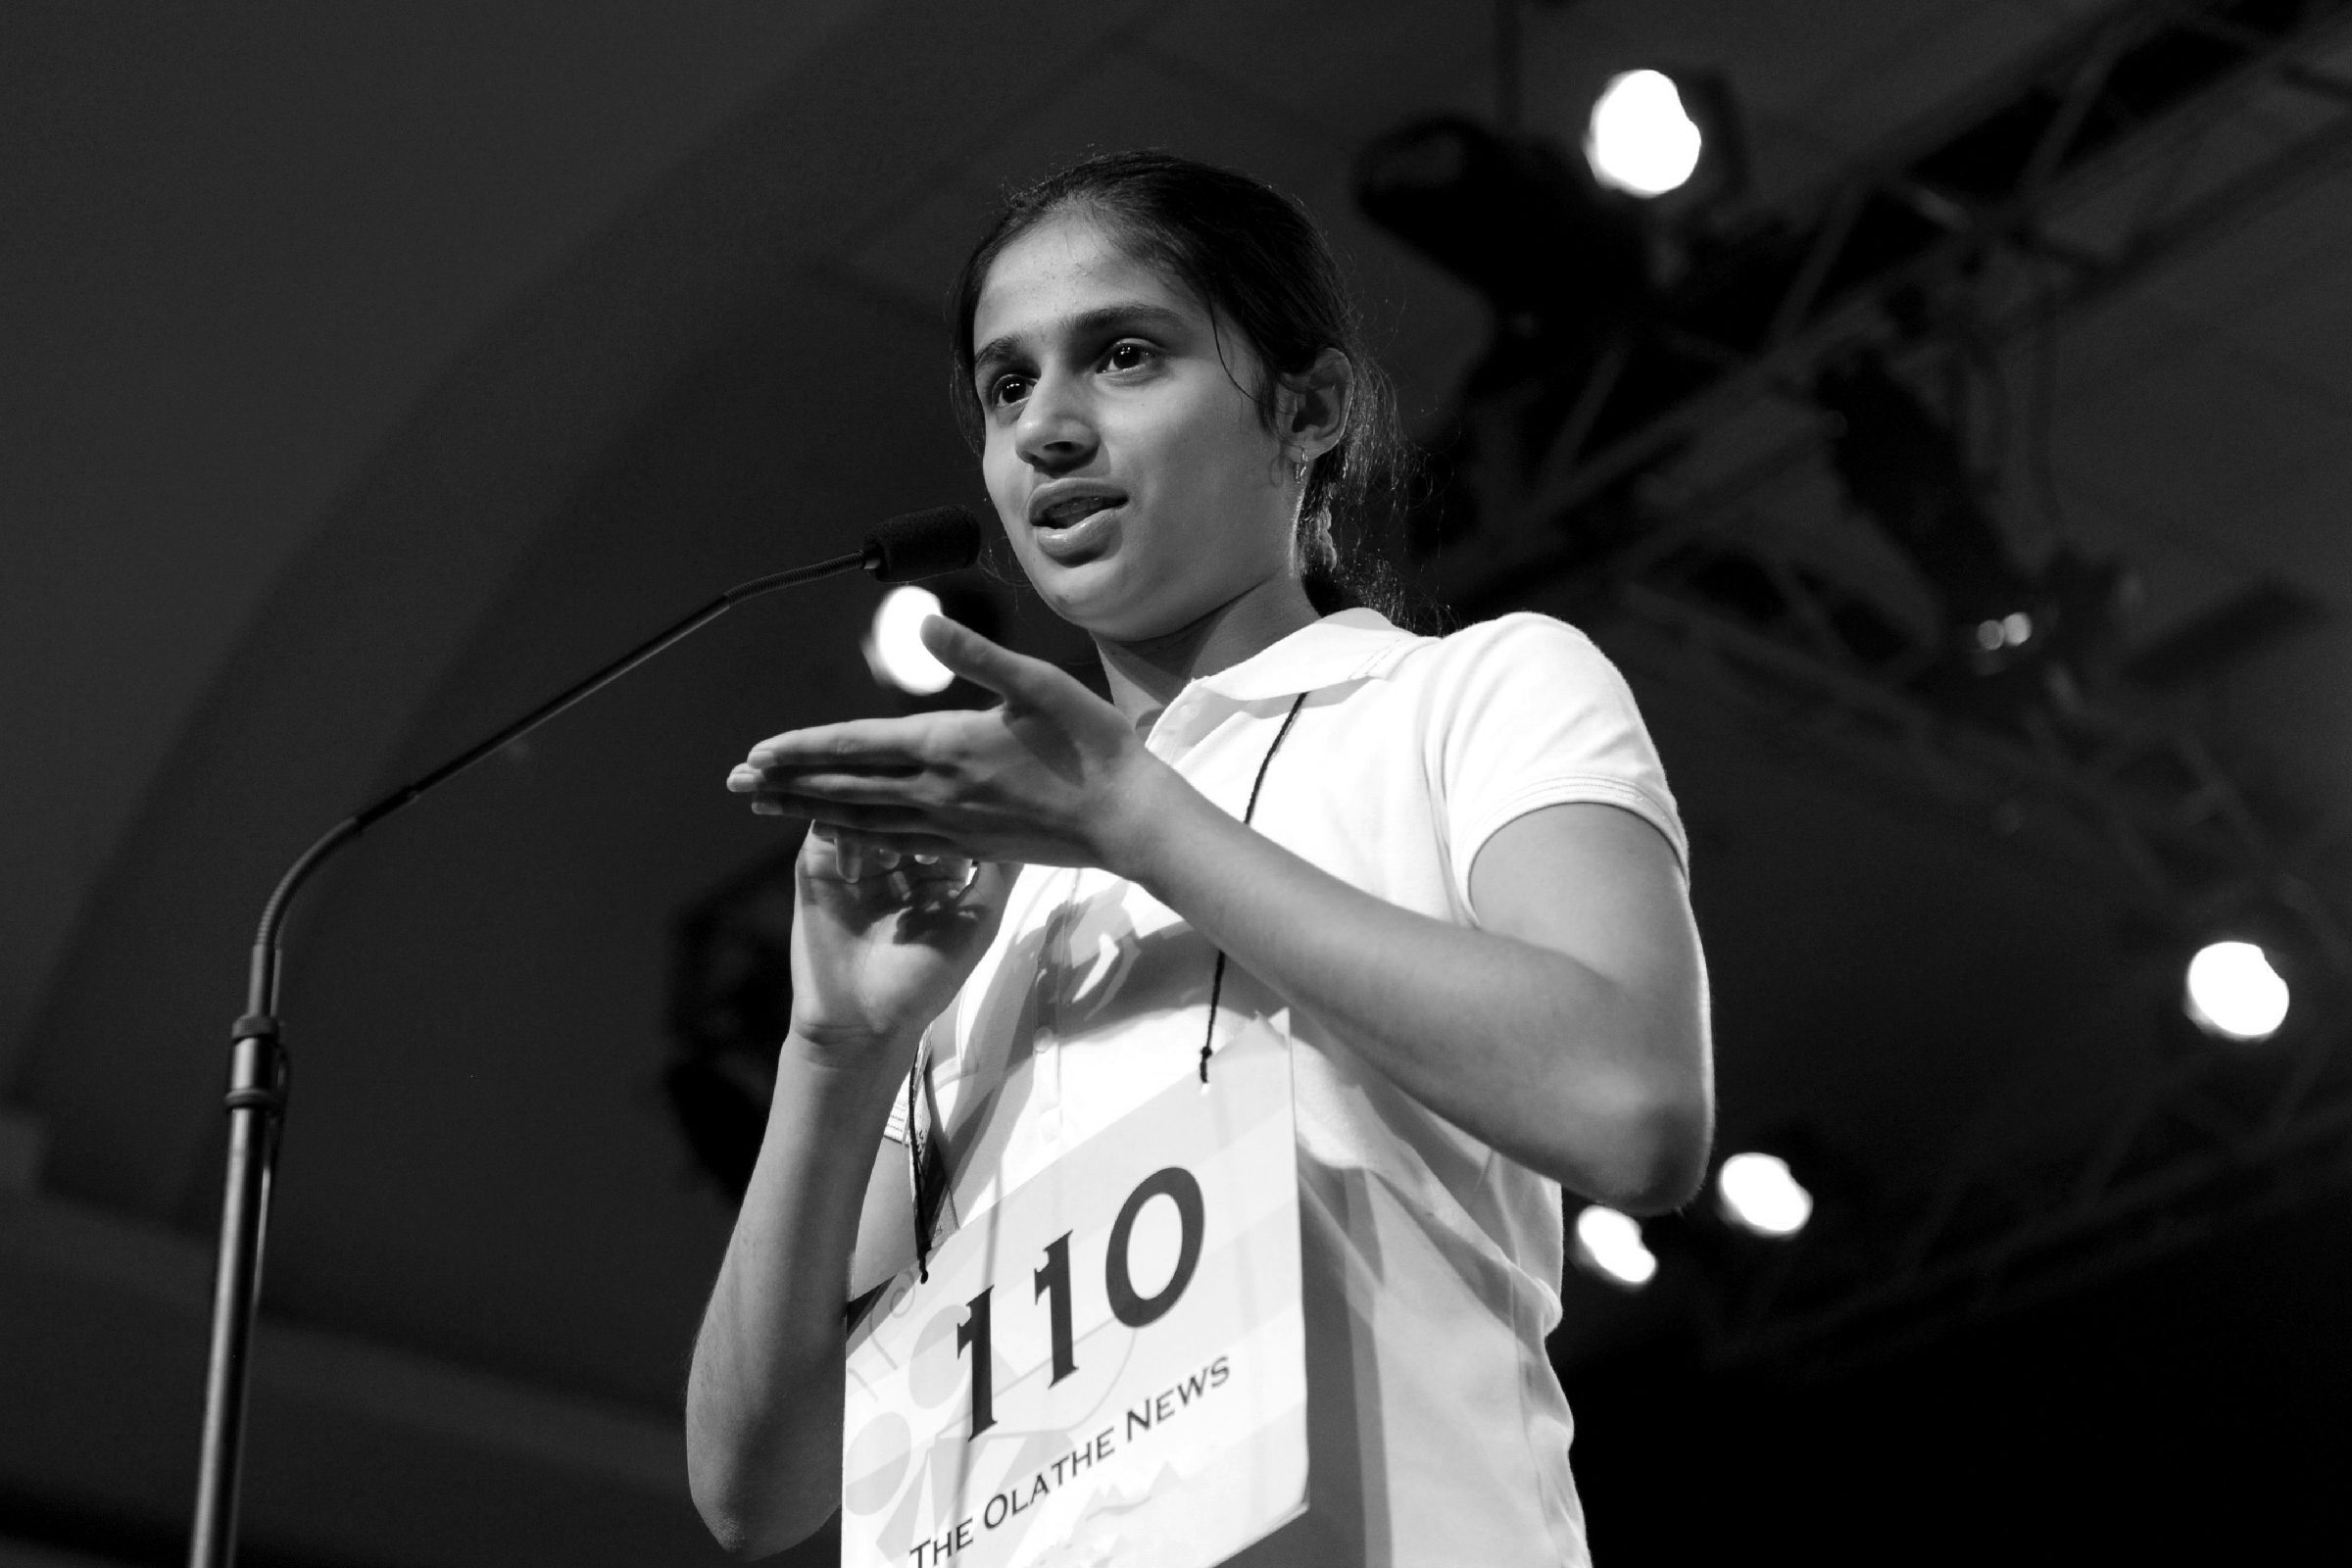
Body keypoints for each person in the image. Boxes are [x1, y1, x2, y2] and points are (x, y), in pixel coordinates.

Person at [686, 151, 1712, 1566]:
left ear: (1309, 409)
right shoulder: (981, 895)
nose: (1047, 428)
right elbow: (754, 1492)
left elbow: (1634, 1106)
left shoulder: (1468, 694)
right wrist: (835, 1048)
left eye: (1123, 354)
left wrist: (1141, 820)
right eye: (1006, 386)